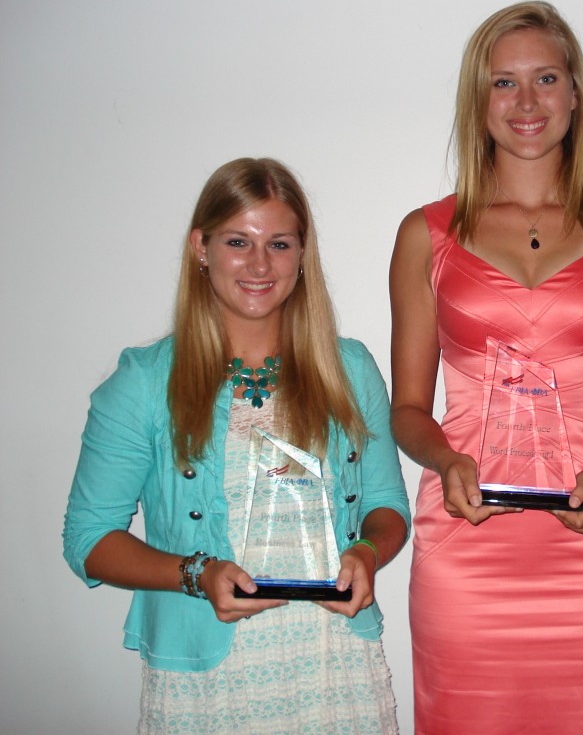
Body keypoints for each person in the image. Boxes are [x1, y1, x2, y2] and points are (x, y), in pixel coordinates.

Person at [389, 1, 583, 735]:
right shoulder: (425, 234)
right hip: (466, 543)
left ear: (575, 94)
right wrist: (447, 460)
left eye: (545, 78)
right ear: (477, 102)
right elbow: (408, 412)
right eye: (502, 82)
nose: (526, 102)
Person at [63, 158, 410, 734]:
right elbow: (87, 540)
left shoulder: (348, 368)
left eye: (278, 243)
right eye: (237, 241)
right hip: (207, 682)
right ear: (201, 247)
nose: (258, 264)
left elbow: (387, 506)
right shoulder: (145, 382)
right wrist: (197, 574)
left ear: (303, 254)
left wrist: (367, 554)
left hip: (333, 666)